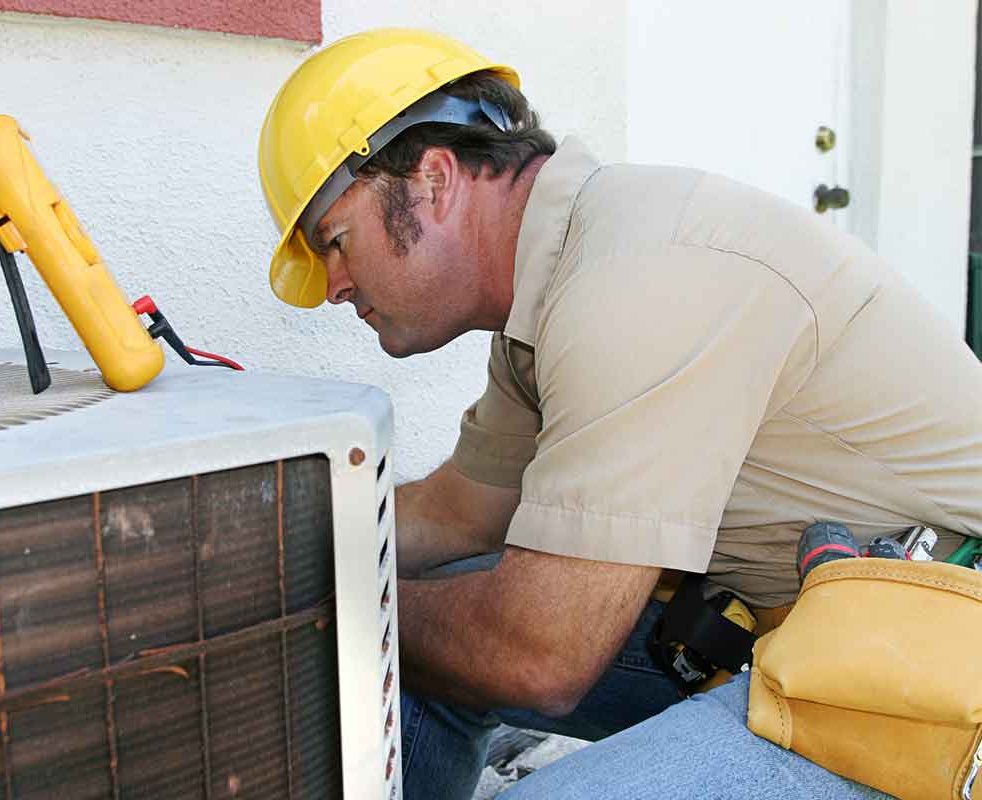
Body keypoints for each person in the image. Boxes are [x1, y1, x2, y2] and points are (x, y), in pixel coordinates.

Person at [257, 28, 982, 799]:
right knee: (421, 649)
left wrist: (313, 610)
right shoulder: (546, 301)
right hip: (805, 630)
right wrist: (273, 554)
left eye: (335, 242)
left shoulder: (638, 274)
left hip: (933, 654)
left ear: (433, 180)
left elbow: (538, 654)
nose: (333, 285)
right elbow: (458, 515)